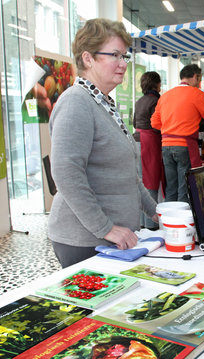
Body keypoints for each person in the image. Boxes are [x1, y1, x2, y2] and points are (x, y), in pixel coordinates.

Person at [48, 18, 158, 268]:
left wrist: (156, 212)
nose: (123, 64)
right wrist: (105, 228)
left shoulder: (103, 102)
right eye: (115, 55)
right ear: (88, 58)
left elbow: (128, 175)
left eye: (125, 56)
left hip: (114, 240)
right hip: (85, 241)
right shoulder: (76, 102)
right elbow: (66, 173)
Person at [151, 64, 204, 202]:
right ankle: (183, 222)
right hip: (184, 146)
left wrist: (171, 125)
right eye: (199, 79)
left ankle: (169, 222)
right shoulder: (196, 94)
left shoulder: (166, 95)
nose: (199, 83)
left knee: (171, 187)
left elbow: (155, 123)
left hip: (166, 146)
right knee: (184, 187)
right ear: (195, 76)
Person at [133, 71, 165, 229]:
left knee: (140, 182)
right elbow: (157, 125)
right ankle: (151, 225)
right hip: (150, 142)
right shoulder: (156, 101)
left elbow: (134, 122)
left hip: (137, 140)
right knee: (151, 182)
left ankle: (141, 223)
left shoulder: (139, 101)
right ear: (156, 84)